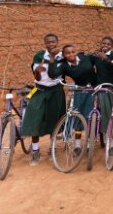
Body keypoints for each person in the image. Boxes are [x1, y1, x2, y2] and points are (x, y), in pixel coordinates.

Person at [22, 34, 66, 166]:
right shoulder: (39, 56)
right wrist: (38, 71)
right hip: (40, 91)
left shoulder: (62, 56)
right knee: (35, 119)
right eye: (48, 42)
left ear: (57, 42)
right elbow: (37, 77)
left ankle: (52, 149)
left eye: (53, 41)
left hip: (56, 91)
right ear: (44, 43)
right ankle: (35, 151)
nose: (51, 44)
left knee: (54, 120)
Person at [48, 44, 97, 136]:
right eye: (68, 53)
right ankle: (78, 144)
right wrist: (52, 57)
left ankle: (92, 139)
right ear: (63, 55)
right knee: (78, 115)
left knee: (90, 115)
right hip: (79, 89)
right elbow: (52, 75)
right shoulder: (64, 65)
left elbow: (99, 62)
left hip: (94, 88)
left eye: (73, 52)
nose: (71, 55)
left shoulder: (86, 58)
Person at [91, 36, 113, 134]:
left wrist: (106, 58)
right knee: (105, 112)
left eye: (108, 44)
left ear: (111, 46)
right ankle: (107, 135)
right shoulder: (96, 55)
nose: (105, 46)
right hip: (102, 87)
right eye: (104, 43)